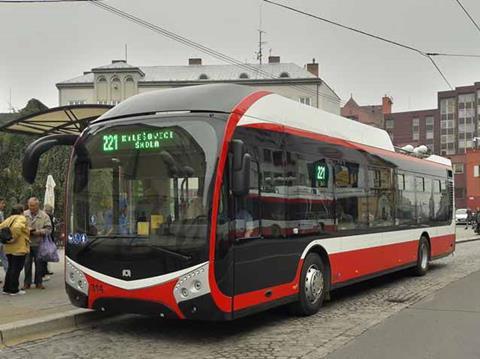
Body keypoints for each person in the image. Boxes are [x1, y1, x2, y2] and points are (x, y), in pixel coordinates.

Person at [0, 204, 30, 295]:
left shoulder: (9, 219)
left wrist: (6, 239)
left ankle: (6, 288)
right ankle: (14, 289)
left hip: (8, 248)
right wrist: (14, 238)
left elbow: (1, 227)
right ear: (22, 211)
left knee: (10, 268)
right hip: (19, 248)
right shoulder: (21, 218)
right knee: (16, 268)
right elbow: (17, 227)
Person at [23, 197, 52, 290]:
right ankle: (27, 283)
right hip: (27, 243)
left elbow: (49, 229)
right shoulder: (24, 214)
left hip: (39, 243)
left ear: (37, 206)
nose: (31, 207)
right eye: (30, 205)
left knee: (39, 264)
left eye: (33, 206)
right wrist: (27, 230)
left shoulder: (44, 216)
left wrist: (39, 232)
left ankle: (38, 282)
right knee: (27, 264)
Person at [42, 204, 55, 279]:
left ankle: (45, 271)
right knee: (44, 256)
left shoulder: (47, 216)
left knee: (45, 256)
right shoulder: (48, 217)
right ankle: (44, 272)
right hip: (47, 239)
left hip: (47, 239)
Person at [0, 198, 8, 277]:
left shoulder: (1, 213)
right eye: (2, 203)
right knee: (4, 258)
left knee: (4, 257)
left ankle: (8, 275)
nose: (4, 205)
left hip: (2, 240)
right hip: (1, 239)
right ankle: (9, 275)